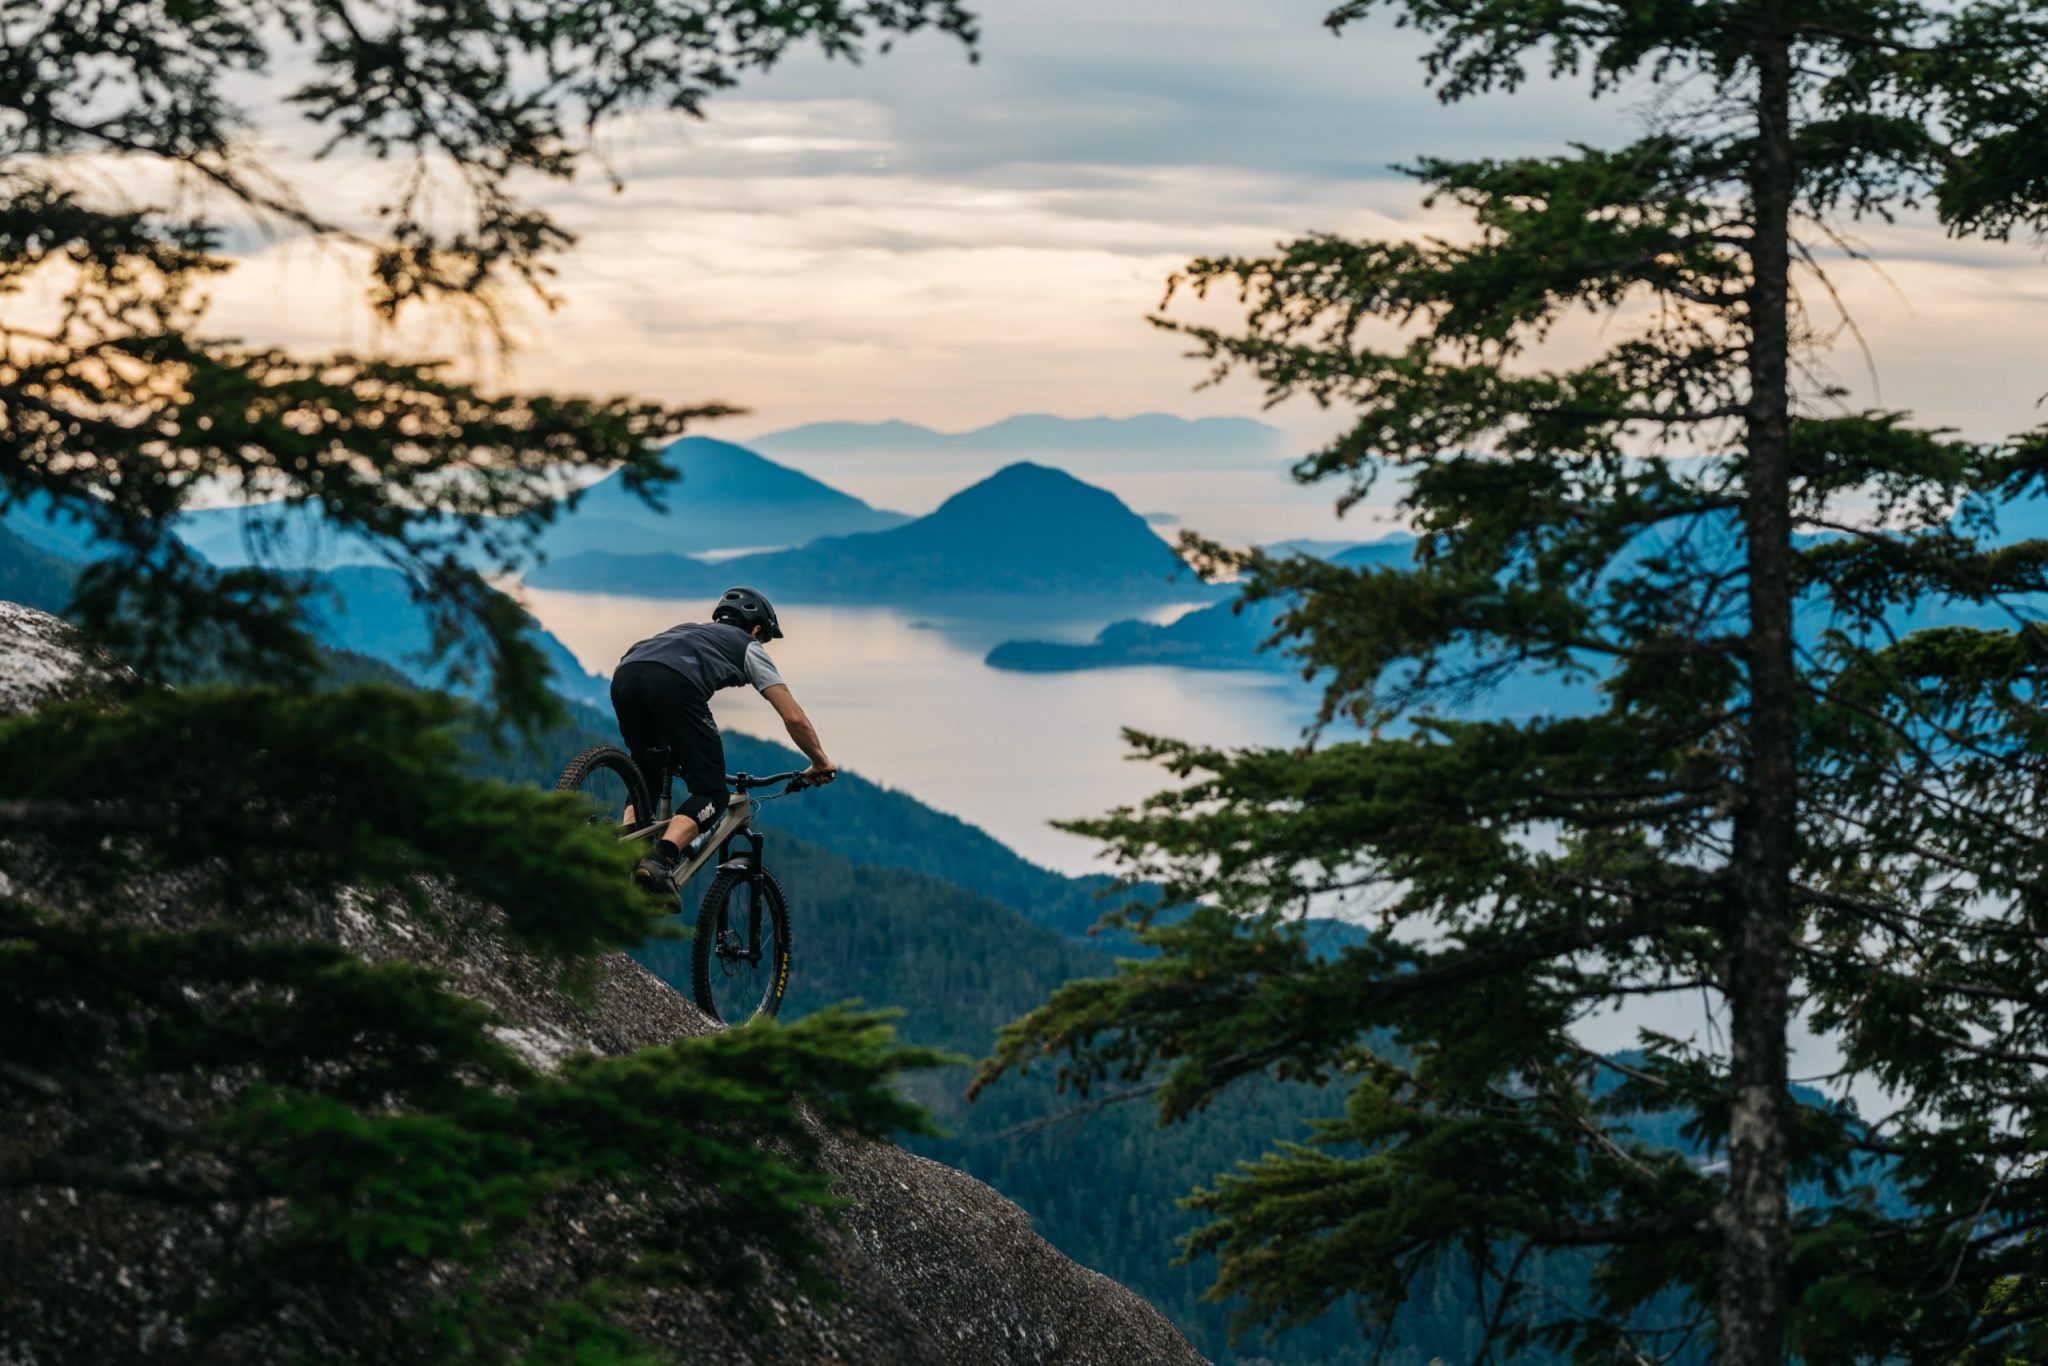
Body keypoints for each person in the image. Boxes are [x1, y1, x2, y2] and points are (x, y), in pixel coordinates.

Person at [609, 586, 836, 893]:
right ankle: (659, 861)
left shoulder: (687, 631)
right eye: (763, 638)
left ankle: (624, 847)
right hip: (674, 683)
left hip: (625, 676)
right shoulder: (749, 646)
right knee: (712, 794)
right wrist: (819, 762)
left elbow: (639, 662)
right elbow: (794, 718)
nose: (761, 643)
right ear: (756, 629)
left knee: (647, 771)